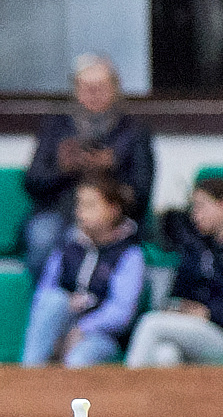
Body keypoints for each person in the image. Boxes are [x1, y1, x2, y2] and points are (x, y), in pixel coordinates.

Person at [125, 176, 223, 367]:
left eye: (201, 207)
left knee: (151, 323)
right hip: (192, 331)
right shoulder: (196, 247)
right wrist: (178, 307)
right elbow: (178, 295)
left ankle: (120, 390)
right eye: (193, 208)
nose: (194, 215)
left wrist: (208, 313)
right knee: (165, 355)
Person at [22, 56, 155, 265]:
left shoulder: (134, 131)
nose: (93, 94)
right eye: (86, 87)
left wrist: (109, 171)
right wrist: (65, 169)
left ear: (115, 88)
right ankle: (49, 296)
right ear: (75, 90)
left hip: (114, 217)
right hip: (61, 212)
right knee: (43, 236)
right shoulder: (56, 127)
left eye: (100, 87)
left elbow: (141, 193)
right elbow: (33, 182)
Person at [22, 174, 147, 368]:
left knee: (78, 358)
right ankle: (29, 374)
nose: (81, 213)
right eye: (79, 205)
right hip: (61, 325)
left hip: (99, 335)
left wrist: (82, 329)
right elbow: (44, 295)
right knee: (53, 300)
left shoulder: (129, 254)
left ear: (113, 210)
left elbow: (121, 312)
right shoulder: (67, 247)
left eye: (91, 206)